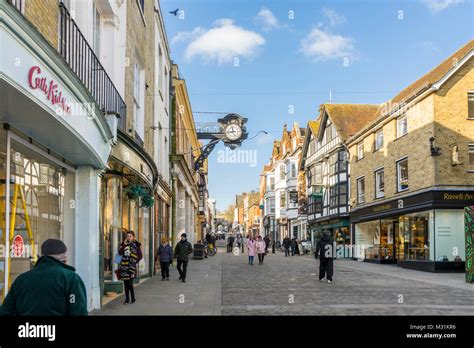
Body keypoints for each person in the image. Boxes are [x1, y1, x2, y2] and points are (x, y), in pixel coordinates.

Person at [1, 239, 87, 315]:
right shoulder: (71, 278)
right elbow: (79, 311)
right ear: (65, 258)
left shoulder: (21, 279)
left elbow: (6, 311)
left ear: (42, 256)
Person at [118, 231, 142, 304]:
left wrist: (134, 261)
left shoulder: (136, 245)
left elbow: (140, 256)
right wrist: (124, 245)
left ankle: (133, 297)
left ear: (133, 237)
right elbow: (120, 253)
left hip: (131, 267)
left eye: (130, 236)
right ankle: (127, 299)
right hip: (124, 267)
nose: (128, 237)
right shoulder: (124, 244)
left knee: (130, 283)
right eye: (127, 236)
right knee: (126, 283)